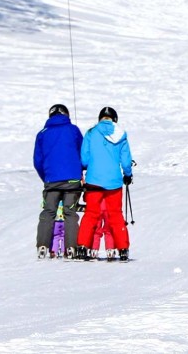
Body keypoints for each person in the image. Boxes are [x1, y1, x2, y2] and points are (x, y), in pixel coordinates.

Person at [76, 106, 133, 261]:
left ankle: (82, 247)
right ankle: (122, 249)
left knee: (91, 214)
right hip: (114, 182)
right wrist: (128, 175)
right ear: (115, 119)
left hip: (93, 181)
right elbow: (126, 161)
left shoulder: (91, 133)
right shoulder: (121, 134)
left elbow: (84, 160)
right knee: (115, 215)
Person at [33, 103, 83, 259]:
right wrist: (80, 170)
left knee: (48, 212)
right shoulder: (73, 130)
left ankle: (42, 246)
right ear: (66, 114)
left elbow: (37, 161)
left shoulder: (42, 133)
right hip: (72, 180)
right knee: (70, 212)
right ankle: (71, 248)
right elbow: (82, 153)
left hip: (51, 180)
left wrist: (46, 177)